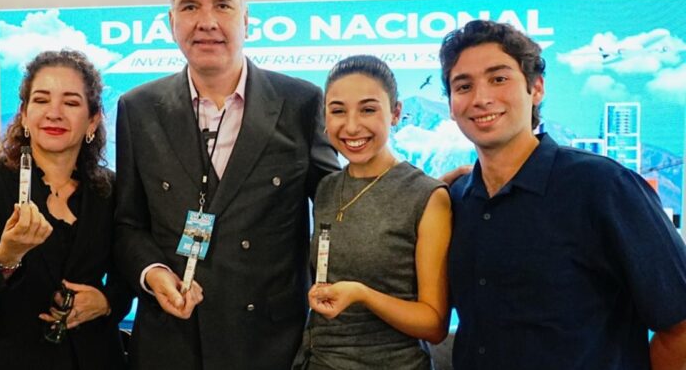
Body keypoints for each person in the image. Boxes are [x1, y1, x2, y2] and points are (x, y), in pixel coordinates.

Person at [113, 0, 340, 369]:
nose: (207, 22)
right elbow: (128, 224)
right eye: (190, 6)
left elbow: (337, 205)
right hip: (172, 341)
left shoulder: (300, 102)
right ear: (171, 21)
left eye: (222, 5)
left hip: (270, 344)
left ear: (246, 19)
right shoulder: (138, 108)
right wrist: (153, 272)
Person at [440, 19, 686, 370]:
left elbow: (679, 326)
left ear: (536, 88)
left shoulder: (604, 186)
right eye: (464, 86)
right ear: (451, 105)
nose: (481, 99)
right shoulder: (455, 200)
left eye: (499, 79)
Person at [0, 50, 132, 370]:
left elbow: (126, 277)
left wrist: (106, 302)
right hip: (4, 359)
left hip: (93, 356)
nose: (54, 113)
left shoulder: (112, 190)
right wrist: (6, 256)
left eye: (71, 103)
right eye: (42, 100)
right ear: (24, 114)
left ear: (93, 119)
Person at [293, 55, 452, 370]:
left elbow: (434, 324)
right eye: (338, 111)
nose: (352, 126)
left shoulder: (427, 196)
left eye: (368, 110)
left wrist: (363, 295)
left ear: (396, 113)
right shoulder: (327, 188)